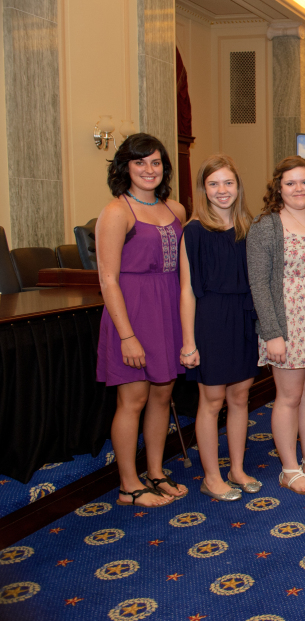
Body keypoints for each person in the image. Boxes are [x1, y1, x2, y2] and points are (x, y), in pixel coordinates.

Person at [96, 133, 188, 507]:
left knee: (162, 395)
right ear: (125, 168)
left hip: (167, 308)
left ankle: (155, 471)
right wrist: (127, 336)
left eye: (155, 162)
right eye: (140, 162)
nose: (149, 170)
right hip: (132, 311)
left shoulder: (177, 210)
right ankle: (128, 485)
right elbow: (107, 279)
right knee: (132, 399)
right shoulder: (117, 211)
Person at [247, 156, 305, 495]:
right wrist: (272, 332)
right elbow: (258, 283)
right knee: (288, 397)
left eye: (304, 182)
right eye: (290, 183)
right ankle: (289, 468)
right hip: (287, 321)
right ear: (278, 188)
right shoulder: (266, 226)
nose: (298, 188)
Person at [179, 155, 262, 502]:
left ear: (238, 187)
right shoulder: (193, 231)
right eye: (214, 184)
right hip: (210, 318)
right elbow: (186, 290)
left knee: (240, 397)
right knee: (211, 401)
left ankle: (237, 469)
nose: (222, 190)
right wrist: (188, 342)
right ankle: (211, 476)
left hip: (244, 315)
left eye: (228, 183)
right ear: (204, 190)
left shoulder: (250, 227)